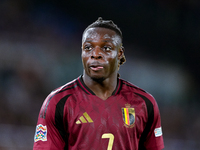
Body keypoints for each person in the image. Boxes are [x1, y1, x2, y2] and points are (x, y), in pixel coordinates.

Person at [33, 17, 164, 150]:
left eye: (106, 48)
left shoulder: (144, 103)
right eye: (88, 47)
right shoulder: (58, 102)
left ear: (120, 53)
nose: (95, 54)